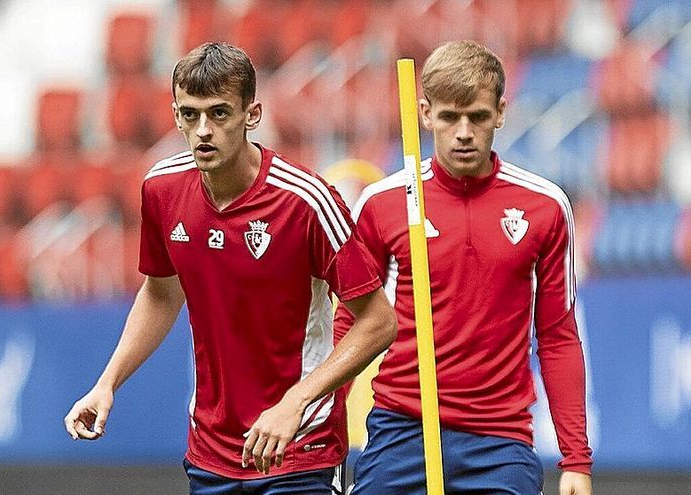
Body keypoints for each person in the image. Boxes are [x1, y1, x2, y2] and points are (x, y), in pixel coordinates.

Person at [64, 42, 396, 494]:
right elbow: (161, 293)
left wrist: (295, 403)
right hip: (211, 452)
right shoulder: (161, 189)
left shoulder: (307, 201)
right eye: (190, 114)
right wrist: (107, 384)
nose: (203, 130)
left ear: (251, 115)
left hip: (300, 447)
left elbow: (377, 323)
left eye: (219, 114)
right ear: (176, 115)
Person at [335, 40, 593, 495]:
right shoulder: (383, 203)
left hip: (500, 442)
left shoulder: (545, 206)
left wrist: (576, 459)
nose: (463, 132)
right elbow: (350, 324)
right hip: (402, 431)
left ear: (501, 113)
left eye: (477, 116)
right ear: (425, 113)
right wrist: (326, 430)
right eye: (450, 116)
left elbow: (557, 335)